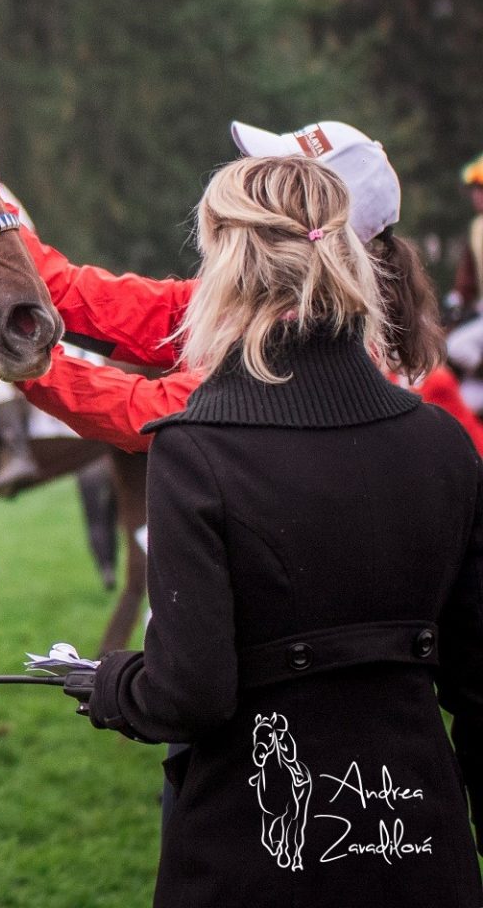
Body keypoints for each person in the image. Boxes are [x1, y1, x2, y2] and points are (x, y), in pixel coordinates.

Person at [72, 155, 483, 904]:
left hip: (252, 854)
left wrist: (111, 685)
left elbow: (189, 693)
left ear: (226, 265)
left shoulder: (194, 450)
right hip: (424, 851)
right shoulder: (445, 443)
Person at [12, 121, 443, 451]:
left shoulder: (312, 346)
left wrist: (21, 359)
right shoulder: (259, 304)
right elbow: (114, 305)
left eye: (271, 183)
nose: (250, 187)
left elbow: (148, 410)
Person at [451, 153, 483, 319]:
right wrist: (457, 298)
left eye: (481, 189)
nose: (476, 195)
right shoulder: (476, 227)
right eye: (475, 189)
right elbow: (467, 278)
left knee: (459, 345)